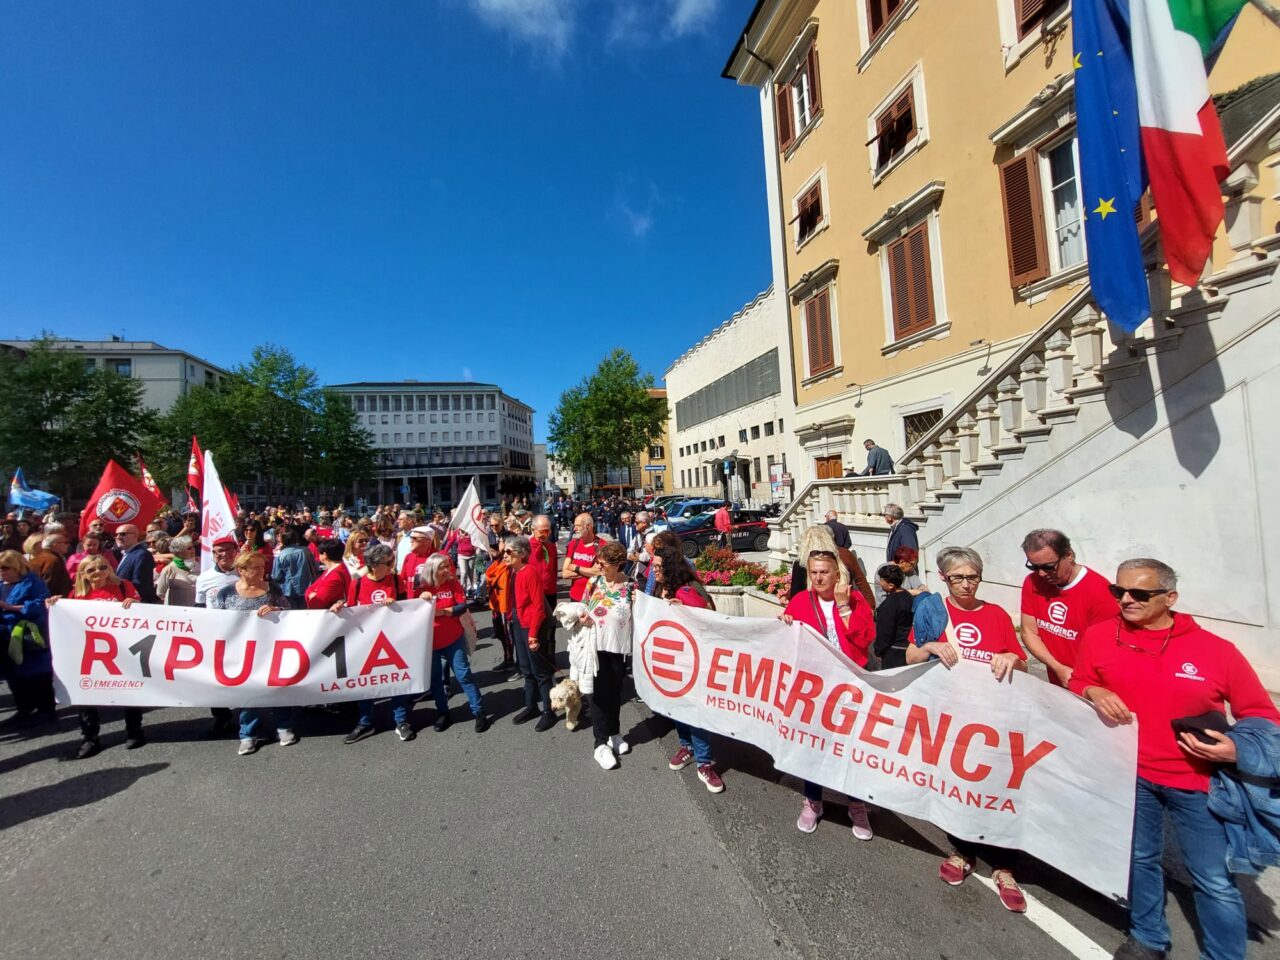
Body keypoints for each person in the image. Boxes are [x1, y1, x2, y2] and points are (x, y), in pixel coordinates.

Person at [1070, 559, 1280, 960]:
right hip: (1128, 775)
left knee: (1214, 880)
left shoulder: (1216, 651)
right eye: (1119, 592)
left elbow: (1262, 715)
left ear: (1170, 598)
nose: (1126, 600)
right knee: (1140, 860)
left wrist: (1237, 750)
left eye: (1139, 594)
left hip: (1198, 784)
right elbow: (1080, 679)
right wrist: (1094, 693)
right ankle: (1148, 937)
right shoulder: (1098, 636)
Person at [905, 546, 1028, 913]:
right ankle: (963, 851)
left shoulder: (996, 614)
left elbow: (1019, 664)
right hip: (952, 719)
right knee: (960, 787)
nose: (966, 584)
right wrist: (931, 645)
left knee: (998, 789)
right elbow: (910, 657)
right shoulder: (934, 611)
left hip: (994, 719)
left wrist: (1012, 658)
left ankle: (1004, 866)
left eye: (972, 576)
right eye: (958, 577)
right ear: (944, 578)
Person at [780, 548, 876, 840]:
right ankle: (813, 801)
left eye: (824, 572)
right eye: (814, 572)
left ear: (837, 574)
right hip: (815, 688)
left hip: (850, 685)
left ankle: (856, 804)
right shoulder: (800, 600)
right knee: (813, 745)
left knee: (849, 749)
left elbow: (865, 638)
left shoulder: (854, 599)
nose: (819, 577)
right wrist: (783, 623)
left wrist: (845, 608)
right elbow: (789, 643)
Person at [48, 556, 146, 757]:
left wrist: (134, 603)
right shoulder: (76, 595)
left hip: (121, 648)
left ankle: (135, 731)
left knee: (128, 689)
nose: (99, 572)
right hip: (90, 652)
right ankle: (90, 737)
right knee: (86, 694)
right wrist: (55, 604)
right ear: (83, 574)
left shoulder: (123, 586)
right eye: (91, 570)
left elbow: (141, 612)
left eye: (103, 567)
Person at [653, 545, 726, 793]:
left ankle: (705, 762)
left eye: (658, 567)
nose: (653, 571)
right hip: (671, 662)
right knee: (678, 708)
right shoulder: (659, 588)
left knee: (696, 712)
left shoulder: (688, 590)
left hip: (693, 662)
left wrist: (685, 609)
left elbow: (709, 618)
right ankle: (687, 746)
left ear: (670, 568)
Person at [210, 551, 294, 755]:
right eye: (254, 567)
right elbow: (215, 621)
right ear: (241, 570)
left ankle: (283, 726)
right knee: (248, 691)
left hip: (270, 648)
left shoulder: (272, 588)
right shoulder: (226, 594)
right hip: (241, 651)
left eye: (261, 566)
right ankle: (248, 734)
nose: (260, 571)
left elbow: (289, 611)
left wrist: (275, 609)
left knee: (277, 686)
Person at [332, 542, 416, 743]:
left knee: (396, 681)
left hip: (392, 640)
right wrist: (339, 607)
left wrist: (396, 606)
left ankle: (401, 720)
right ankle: (365, 721)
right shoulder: (358, 584)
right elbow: (352, 610)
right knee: (366, 683)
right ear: (374, 564)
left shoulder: (396, 581)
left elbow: (410, 607)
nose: (391, 565)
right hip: (366, 642)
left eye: (392, 561)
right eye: (388, 562)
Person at [1018, 528, 1117, 688]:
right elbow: (1029, 632)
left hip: (1093, 686)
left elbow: (1107, 651)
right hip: (1060, 678)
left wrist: (1081, 681)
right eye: (1034, 567)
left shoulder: (1100, 592)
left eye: (1049, 566)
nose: (1041, 574)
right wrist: (1057, 668)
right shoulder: (1033, 582)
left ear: (1069, 555)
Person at [415, 553, 490, 734]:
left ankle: (479, 712)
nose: (447, 570)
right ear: (432, 569)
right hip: (430, 641)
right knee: (436, 680)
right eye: (442, 567)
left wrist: (445, 612)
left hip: (453, 637)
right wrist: (420, 599)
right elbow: (410, 610)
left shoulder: (452, 583)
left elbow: (462, 606)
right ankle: (443, 712)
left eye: (448, 566)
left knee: (464, 675)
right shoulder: (421, 586)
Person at [579, 541, 633, 770]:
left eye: (603, 563)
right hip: (596, 647)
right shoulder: (593, 582)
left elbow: (642, 615)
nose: (598, 565)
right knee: (598, 696)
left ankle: (614, 732)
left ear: (617, 564)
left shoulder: (631, 587)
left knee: (615, 693)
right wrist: (582, 616)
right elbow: (582, 606)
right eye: (598, 561)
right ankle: (600, 744)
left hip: (619, 648)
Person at [508, 535, 556, 732]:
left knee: (541, 672)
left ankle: (548, 711)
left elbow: (538, 607)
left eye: (508, 552)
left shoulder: (530, 572)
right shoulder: (514, 571)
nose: (505, 555)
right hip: (519, 623)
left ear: (521, 554)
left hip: (531, 626)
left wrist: (534, 634)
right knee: (526, 668)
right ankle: (531, 706)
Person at [0, 550, 55, 725]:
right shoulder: (1, 584)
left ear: (17, 567)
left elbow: (41, 605)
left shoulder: (32, 582)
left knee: (37, 674)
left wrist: (10, 607)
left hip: (29, 633)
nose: (2, 571)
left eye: (6, 568)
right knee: (14, 675)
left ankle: (46, 710)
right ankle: (24, 709)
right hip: (6, 634)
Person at [787, 525, 875, 609]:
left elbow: (796, 593)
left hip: (815, 609)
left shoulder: (801, 563)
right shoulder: (844, 554)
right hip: (845, 602)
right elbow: (861, 581)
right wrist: (871, 605)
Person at [528, 515, 559, 666]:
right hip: (533, 595)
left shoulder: (552, 546)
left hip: (550, 592)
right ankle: (537, 660)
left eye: (547, 531)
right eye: (541, 531)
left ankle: (551, 661)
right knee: (536, 627)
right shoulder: (526, 547)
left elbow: (553, 569)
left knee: (551, 627)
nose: (544, 534)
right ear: (533, 530)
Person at [872, 564, 913, 669]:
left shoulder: (889, 605)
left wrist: (878, 651)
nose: (880, 583)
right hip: (909, 648)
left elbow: (885, 632)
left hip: (893, 652)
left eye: (882, 581)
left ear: (890, 585)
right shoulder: (907, 595)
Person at [272, 524, 318, 610]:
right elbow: (315, 567)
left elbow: (276, 576)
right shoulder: (306, 550)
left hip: (289, 591)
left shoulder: (281, 556)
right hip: (307, 589)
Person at [562, 512, 603, 604]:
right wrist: (590, 571)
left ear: (588, 526)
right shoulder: (573, 544)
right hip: (575, 596)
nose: (574, 529)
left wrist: (577, 568)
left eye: (578, 526)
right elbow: (565, 574)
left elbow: (601, 572)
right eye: (574, 526)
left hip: (594, 597)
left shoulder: (602, 546)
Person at [114, 523, 159, 604]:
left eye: (122, 534)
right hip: (124, 601)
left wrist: (137, 600)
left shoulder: (142, 554)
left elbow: (141, 583)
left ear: (135, 536)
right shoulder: (123, 554)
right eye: (116, 534)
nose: (118, 537)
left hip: (135, 603)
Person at [305, 538, 351, 610]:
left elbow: (315, 603)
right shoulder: (331, 569)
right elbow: (310, 589)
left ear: (324, 555)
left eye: (319, 553)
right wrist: (310, 594)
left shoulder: (335, 575)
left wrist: (312, 595)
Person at [156, 535, 200, 607]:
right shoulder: (169, 569)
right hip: (176, 612)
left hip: (195, 610)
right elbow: (160, 593)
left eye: (193, 547)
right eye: (189, 548)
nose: (193, 550)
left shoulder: (200, 565)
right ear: (179, 552)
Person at [28, 531, 72, 598]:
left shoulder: (37, 558)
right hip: (50, 600)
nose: (67, 545)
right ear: (55, 545)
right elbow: (49, 582)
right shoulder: (53, 560)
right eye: (65, 543)